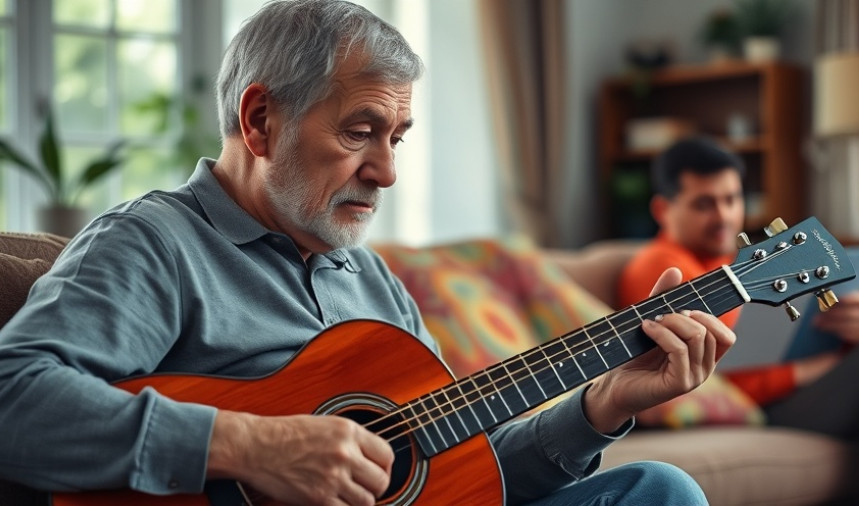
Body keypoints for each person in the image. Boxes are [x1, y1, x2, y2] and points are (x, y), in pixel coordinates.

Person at [0, 2, 736, 505]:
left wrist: (603, 405)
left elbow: (456, 474)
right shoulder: (156, 244)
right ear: (260, 121)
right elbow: (14, 397)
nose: (386, 172)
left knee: (658, 491)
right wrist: (246, 445)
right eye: (361, 132)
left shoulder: (373, 281)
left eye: (398, 138)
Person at [618, 136, 859, 506]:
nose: (723, 215)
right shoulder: (662, 266)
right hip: (757, 404)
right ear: (662, 210)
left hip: (790, 390)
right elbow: (726, 374)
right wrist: (826, 364)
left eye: (731, 199)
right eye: (704, 203)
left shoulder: (735, 265)